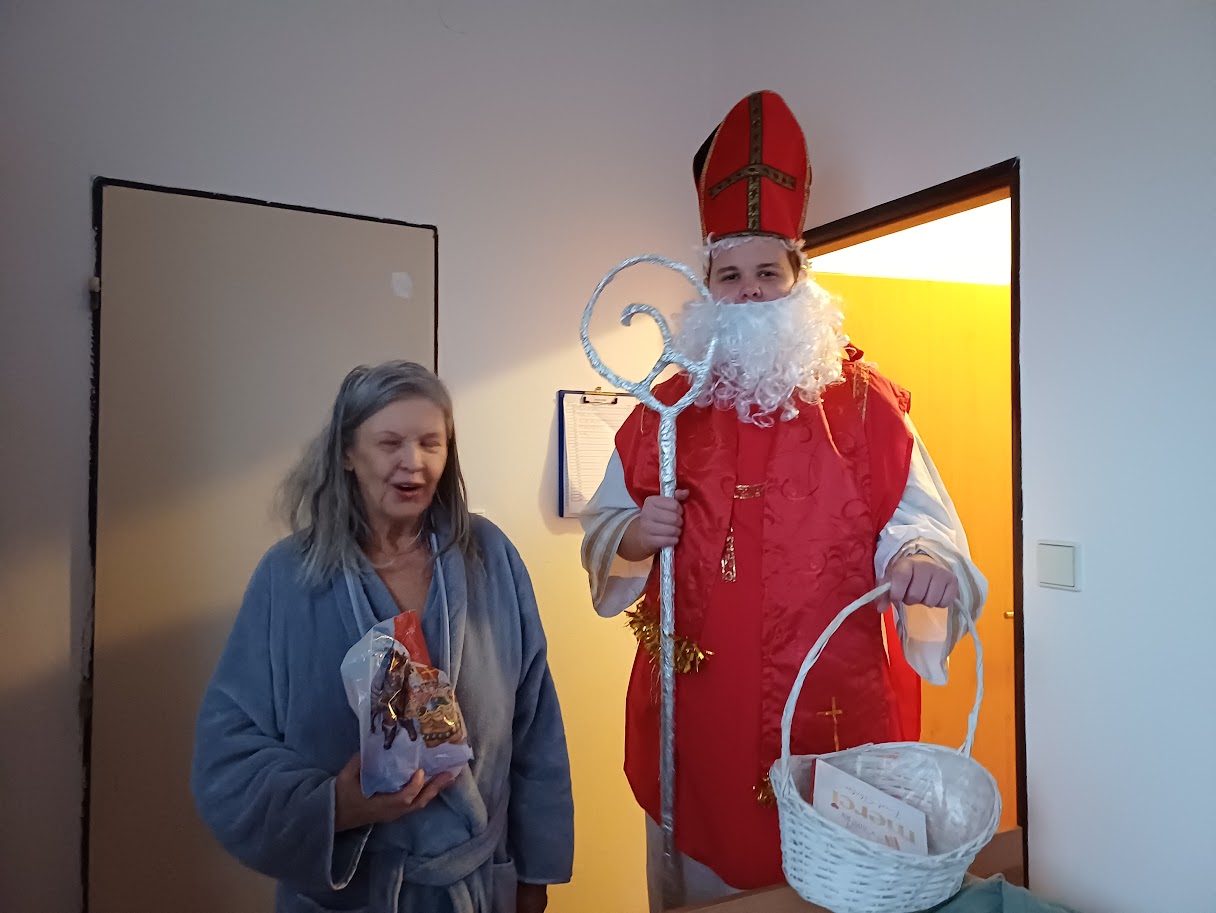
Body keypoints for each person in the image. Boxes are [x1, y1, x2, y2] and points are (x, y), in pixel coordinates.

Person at [579, 91, 987, 910]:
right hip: (700, 724)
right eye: (731, 276)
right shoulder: (665, 410)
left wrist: (919, 558)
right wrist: (636, 533)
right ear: (706, 286)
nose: (750, 294)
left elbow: (922, 525)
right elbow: (604, 528)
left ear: (800, 279)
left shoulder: (866, 405)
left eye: (769, 274)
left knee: (835, 888)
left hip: (833, 724)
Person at [192, 360, 573, 913]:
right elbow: (227, 755)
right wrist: (339, 806)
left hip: (477, 888)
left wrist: (535, 878)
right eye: (390, 442)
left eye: (431, 443)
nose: (413, 462)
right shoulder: (289, 577)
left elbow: (536, 727)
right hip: (353, 894)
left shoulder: (489, 557)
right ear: (348, 453)